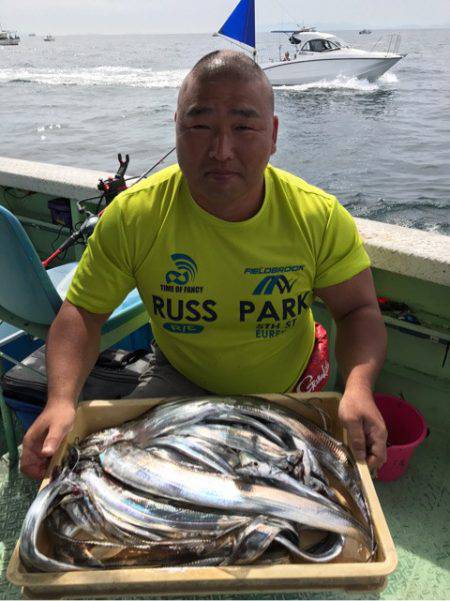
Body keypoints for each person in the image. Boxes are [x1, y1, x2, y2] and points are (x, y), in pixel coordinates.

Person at [20, 50, 387, 481]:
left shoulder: (317, 216)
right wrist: (61, 401)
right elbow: (82, 312)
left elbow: (357, 311)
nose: (221, 150)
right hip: (180, 377)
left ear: (272, 135)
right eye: (199, 126)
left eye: (244, 127)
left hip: (287, 387)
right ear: (176, 128)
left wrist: (358, 389)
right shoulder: (135, 216)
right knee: (115, 476)